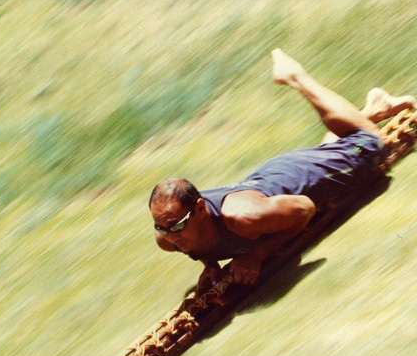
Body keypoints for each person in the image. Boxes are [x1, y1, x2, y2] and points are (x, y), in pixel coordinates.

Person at [149, 49, 416, 291]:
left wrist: (256, 255)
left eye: (177, 226)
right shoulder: (170, 237)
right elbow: (197, 239)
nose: (171, 236)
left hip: (296, 181)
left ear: (199, 209)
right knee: (333, 153)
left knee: (370, 145)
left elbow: (305, 209)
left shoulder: (244, 218)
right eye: (162, 228)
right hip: (272, 178)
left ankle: (296, 77)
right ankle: (373, 110)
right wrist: (210, 263)